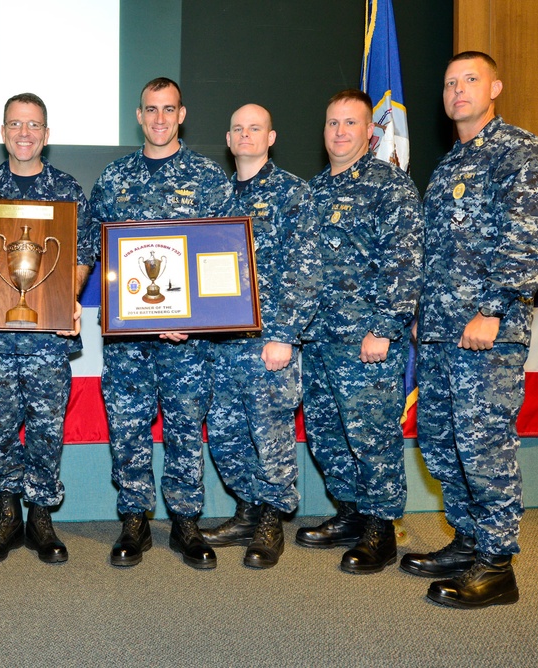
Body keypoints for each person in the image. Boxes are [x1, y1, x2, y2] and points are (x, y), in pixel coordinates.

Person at [402, 52, 538, 609]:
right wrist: (422, 311)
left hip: (487, 334)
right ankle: (468, 540)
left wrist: (491, 309)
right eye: (449, 83)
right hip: (443, 334)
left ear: (494, 86)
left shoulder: (520, 152)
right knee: (442, 443)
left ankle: (497, 565)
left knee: (484, 447)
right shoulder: (449, 166)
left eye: (469, 80)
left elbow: (531, 241)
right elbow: (436, 253)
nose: (457, 91)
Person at [90, 77, 233, 570]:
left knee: (185, 429)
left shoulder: (211, 180)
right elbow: (96, 251)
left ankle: (186, 522)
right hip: (128, 341)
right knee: (127, 428)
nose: (158, 118)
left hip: (187, 343)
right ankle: (134, 519)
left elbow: (221, 259)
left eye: (167, 109)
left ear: (181, 114)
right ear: (138, 114)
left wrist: (193, 319)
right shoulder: (112, 179)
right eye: (150, 109)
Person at [0, 93, 94, 565]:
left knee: (47, 430)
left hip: (47, 341)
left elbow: (79, 256)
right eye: (15, 123)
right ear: (3, 132)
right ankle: (7, 516)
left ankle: (41, 518)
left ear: (46, 135)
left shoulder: (67, 189)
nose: (24, 132)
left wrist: (66, 301)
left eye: (34, 125)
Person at [296, 89, 423, 574]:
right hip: (319, 340)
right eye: (332, 123)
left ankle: (381, 529)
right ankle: (350, 513)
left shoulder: (389, 187)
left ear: (370, 131)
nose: (340, 131)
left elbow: (406, 262)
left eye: (351, 123)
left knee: (372, 437)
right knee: (328, 436)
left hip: (366, 342)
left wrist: (386, 329)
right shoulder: (314, 191)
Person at [201, 104, 319, 569]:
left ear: (271, 138)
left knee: (271, 434)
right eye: (238, 130)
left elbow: (305, 272)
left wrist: (285, 335)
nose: (246, 136)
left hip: (268, 340)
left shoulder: (293, 193)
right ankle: (248, 510)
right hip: (221, 342)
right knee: (228, 436)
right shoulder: (216, 197)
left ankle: (272, 518)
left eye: (256, 129)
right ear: (228, 141)